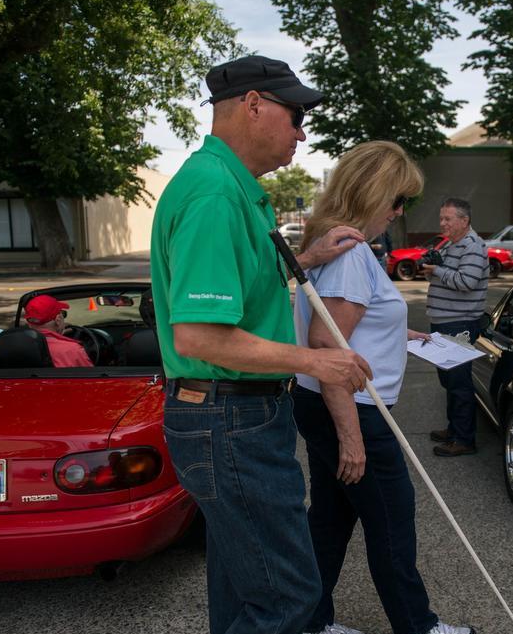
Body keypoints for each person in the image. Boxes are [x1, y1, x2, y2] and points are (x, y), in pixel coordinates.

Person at [149, 55, 374, 634]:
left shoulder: (229, 186)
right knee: (288, 596)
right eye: (296, 115)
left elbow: (236, 293)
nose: (303, 132)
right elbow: (199, 333)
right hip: (230, 418)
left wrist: (307, 259)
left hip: (231, 414)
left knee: (243, 585)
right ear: (254, 104)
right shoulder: (215, 195)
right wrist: (318, 360)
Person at [292, 141, 476, 634]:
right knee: (392, 522)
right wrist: (352, 436)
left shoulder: (337, 242)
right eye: (398, 201)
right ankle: (419, 628)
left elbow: (346, 324)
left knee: (330, 521)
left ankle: (310, 621)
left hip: (323, 401)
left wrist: (400, 333)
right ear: (373, 194)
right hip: (351, 408)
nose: (400, 213)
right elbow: (327, 346)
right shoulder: (350, 251)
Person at [419, 198, 488, 457]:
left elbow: (467, 282)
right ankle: (454, 428)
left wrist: (436, 271)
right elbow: (449, 276)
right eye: (441, 218)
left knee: (459, 382)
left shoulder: (472, 246)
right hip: (445, 321)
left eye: (448, 219)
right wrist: (433, 270)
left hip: (460, 322)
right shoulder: (452, 244)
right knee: (449, 379)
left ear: (464, 221)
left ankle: (464, 439)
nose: (443, 223)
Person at [23, 294, 92, 367]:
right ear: (58, 320)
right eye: (62, 313)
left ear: (29, 322)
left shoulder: (17, 346)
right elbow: (92, 375)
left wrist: (58, 336)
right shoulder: (72, 350)